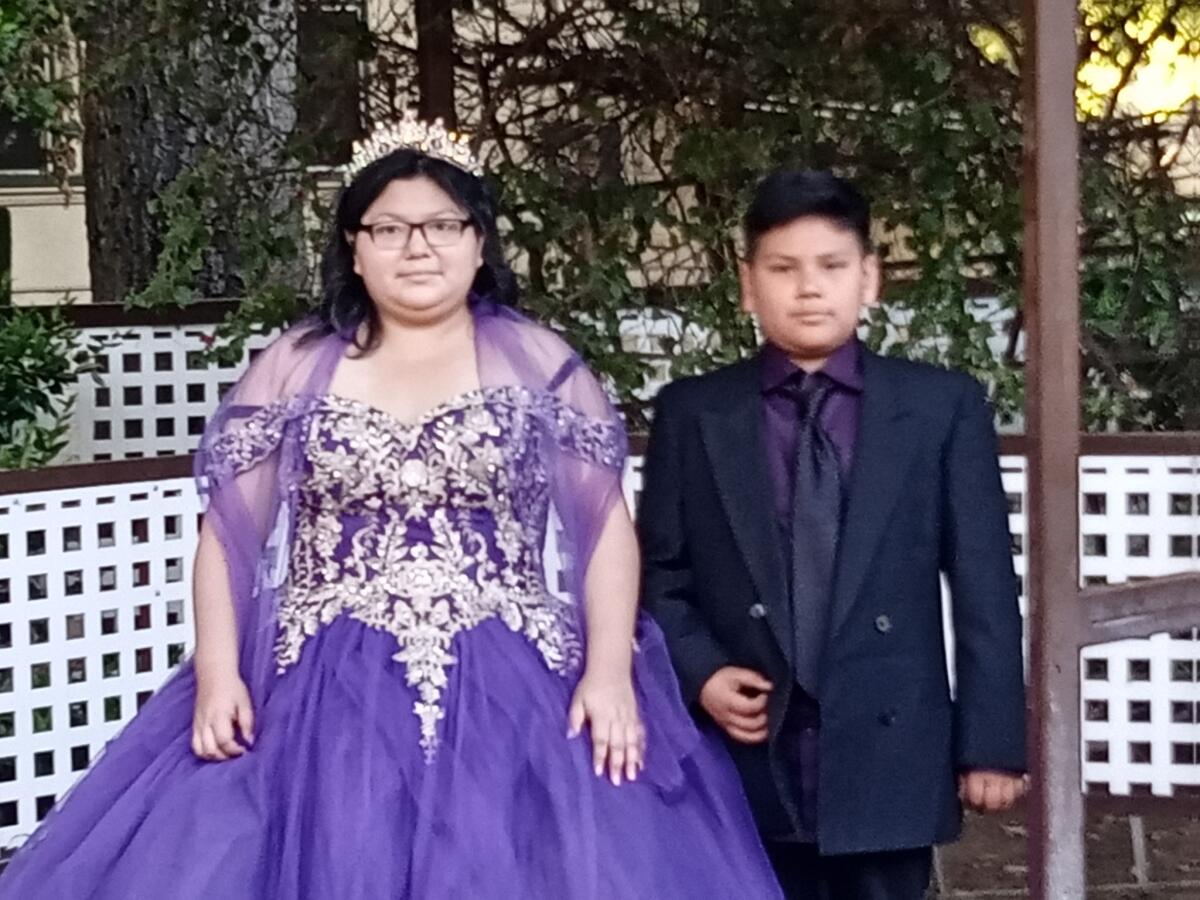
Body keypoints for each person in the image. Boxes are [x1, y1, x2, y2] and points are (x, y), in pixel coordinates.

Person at [0, 116, 784, 899]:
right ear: (354, 245)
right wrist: (216, 674)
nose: (419, 247)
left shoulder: (541, 362)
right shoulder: (296, 363)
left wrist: (610, 672)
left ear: (480, 243)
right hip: (315, 689)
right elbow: (227, 538)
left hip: (516, 686)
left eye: (444, 224)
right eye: (390, 227)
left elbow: (606, 527)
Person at [638, 169, 1028, 900]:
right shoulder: (694, 412)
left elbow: (984, 585)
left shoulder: (940, 407)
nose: (808, 288)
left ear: (870, 278)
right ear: (748, 284)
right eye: (783, 269)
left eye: (832, 267)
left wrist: (991, 745)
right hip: (746, 749)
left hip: (889, 751)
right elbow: (659, 571)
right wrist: (701, 673)